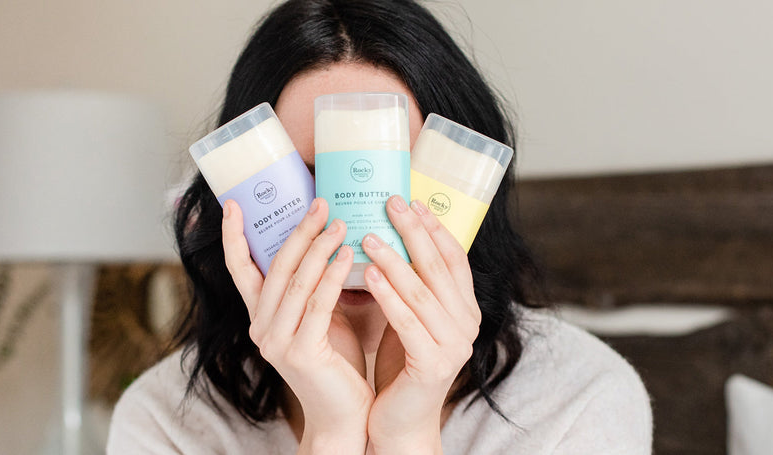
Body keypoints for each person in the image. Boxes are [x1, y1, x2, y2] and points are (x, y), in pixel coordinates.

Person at [107, 0, 652, 453]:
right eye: (306, 179)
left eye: (388, 175)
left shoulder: (578, 399)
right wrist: (331, 432)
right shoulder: (166, 421)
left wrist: (409, 433)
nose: (351, 234)